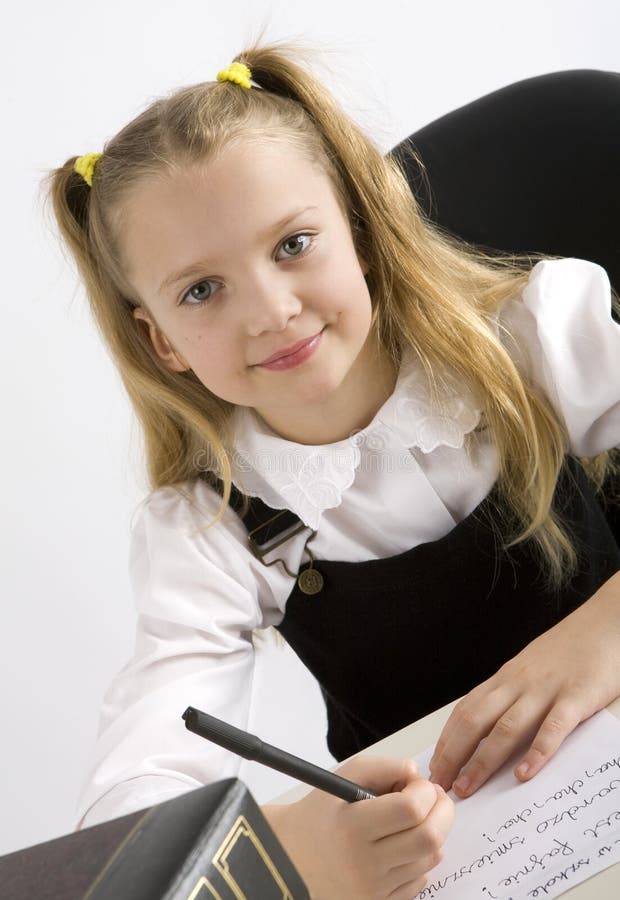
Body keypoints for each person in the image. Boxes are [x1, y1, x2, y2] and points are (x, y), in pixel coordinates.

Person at [47, 45, 620, 899]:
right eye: (201, 291)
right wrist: (282, 851)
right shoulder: (209, 530)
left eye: (294, 244)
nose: (271, 313)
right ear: (160, 339)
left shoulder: (530, 337)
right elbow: (138, 800)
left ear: (359, 225)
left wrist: (605, 634)